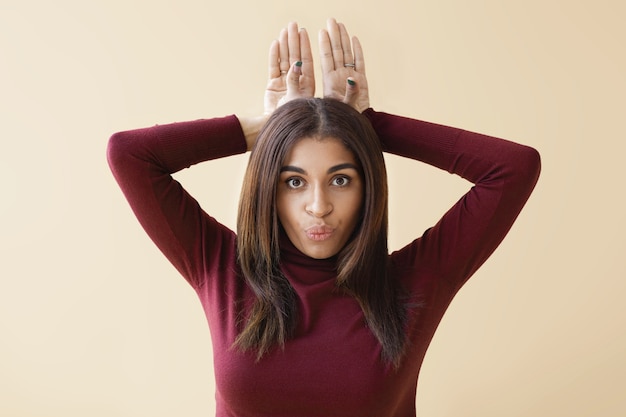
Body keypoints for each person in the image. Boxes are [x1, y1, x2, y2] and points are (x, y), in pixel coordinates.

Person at [107, 18, 540, 417]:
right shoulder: (221, 267)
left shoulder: (414, 281)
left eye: (340, 180)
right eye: (294, 182)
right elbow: (130, 155)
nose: (318, 206)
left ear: (367, 187)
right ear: (269, 191)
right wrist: (268, 126)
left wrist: (366, 124)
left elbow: (513, 168)